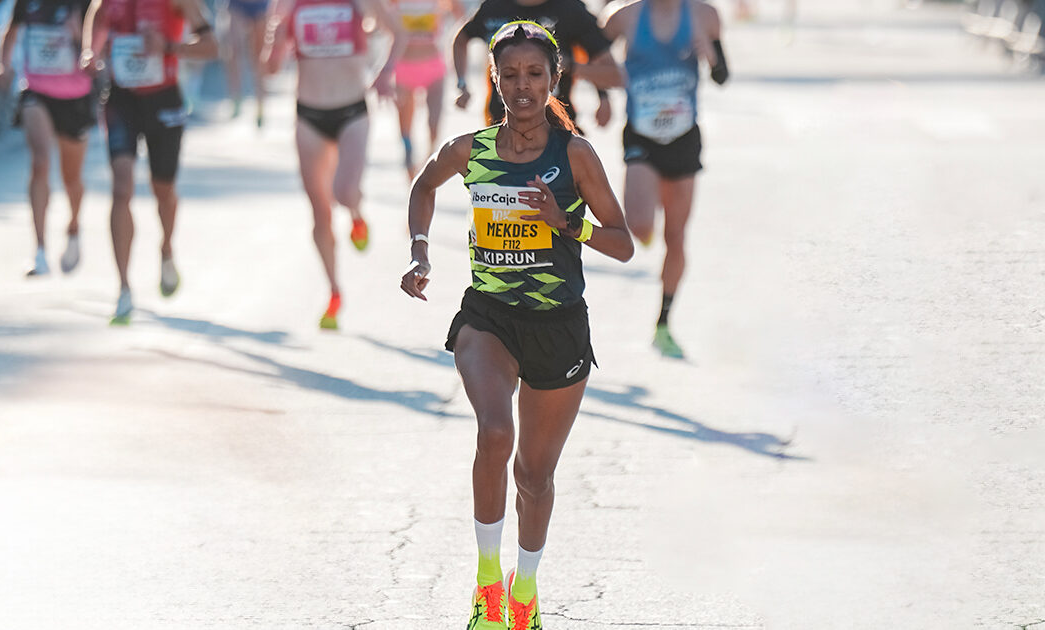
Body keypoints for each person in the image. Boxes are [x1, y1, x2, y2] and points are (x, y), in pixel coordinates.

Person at [401, 21, 633, 629]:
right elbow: (423, 186)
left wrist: (566, 223)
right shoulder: (470, 150)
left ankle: (524, 587)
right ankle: (487, 584)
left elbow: (624, 243)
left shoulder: (574, 155)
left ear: (555, 79)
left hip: (558, 325)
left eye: (534, 74)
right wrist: (420, 250)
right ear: (494, 79)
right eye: (509, 75)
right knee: (495, 432)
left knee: (535, 474)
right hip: (490, 316)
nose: (521, 86)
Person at [261, 0, 408, 329]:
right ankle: (333, 290)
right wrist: (274, 37)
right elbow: (270, 68)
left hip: (352, 111)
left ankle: (356, 214)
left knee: (343, 192)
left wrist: (385, 73)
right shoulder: (291, 4)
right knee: (320, 212)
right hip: (309, 115)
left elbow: (399, 32)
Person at [601, 0, 728, 358]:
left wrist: (712, 59)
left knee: (675, 236)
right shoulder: (622, 15)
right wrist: (602, 93)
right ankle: (647, 212)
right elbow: (591, 52)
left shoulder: (704, 15)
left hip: (683, 137)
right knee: (639, 226)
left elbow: (722, 76)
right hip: (641, 134)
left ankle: (663, 323)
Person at [81, 0, 219, 324]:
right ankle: (124, 288)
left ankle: (167, 248)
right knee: (121, 188)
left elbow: (213, 47)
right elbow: (96, 15)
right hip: (121, 100)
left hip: (164, 99)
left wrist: (170, 47)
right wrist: (90, 50)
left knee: (164, 189)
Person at [0, 0, 96, 277]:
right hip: (36, 90)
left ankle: (73, 227)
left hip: (75, 96)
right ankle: (39, 249)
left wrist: (79, 37)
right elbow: (10, 31)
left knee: (71, 178)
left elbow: (100, 44)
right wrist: (1, 64)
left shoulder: (85, 3)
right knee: (40, 162)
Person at [452, 0, 622, 130]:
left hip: (557, 126)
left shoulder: (570, 8)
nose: (523, 83)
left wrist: (602, 94)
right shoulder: (494, 7)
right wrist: (462, 84)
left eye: (535, 73)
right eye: (511, 73)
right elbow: (461, 40)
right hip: (500, 124)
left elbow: (612, 73)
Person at [391, 0, 463, 179]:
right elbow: (378, 17)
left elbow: (461, 16)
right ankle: (408, 160)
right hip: (403, 66)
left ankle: (427, 163)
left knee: (433, 124)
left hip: (433, 65)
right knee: (405, 127)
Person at [218, 0, 269, 126]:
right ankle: (236, 99)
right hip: (237, 4)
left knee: (259, 57)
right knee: (233, 51)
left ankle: (260, 105)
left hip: (260, 4)